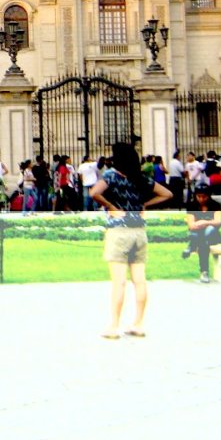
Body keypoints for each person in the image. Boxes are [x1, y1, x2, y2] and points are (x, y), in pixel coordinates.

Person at [89, 142, 173, 339]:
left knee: (119, 283)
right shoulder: (140, 177)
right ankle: (138, 323)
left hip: (119, 231)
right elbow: (167, 194)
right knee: (140, 280)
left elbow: (94, 193)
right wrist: (145, 203)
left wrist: (111, 206)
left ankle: (114, 326)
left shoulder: (111, 175)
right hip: (139, 231)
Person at [182, 183, 221, 283]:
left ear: (208, 196)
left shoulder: (215, 205)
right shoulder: (192, 206)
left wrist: (205, 222)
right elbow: (191, 225)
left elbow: (218, 222)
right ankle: (204, 271)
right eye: (199, 196)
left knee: (209, 230)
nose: (201, 199)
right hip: (198, 235)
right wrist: (201, 224)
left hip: (212, 235)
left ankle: (191, 246)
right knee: (202, 241)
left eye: (204, 197)